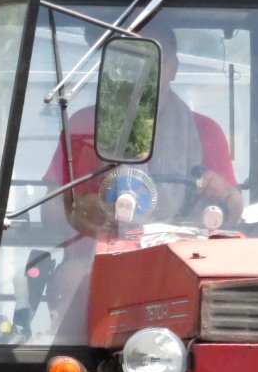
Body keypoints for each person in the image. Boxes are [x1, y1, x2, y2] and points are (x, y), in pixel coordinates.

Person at [45, 23, 243, 236]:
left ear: (173, 68)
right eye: (133, 60)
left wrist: (224, 191)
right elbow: (49, 210)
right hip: (98, 251)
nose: (144, 71)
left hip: (182, 251)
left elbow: (236, 210)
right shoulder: (83, 126)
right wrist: (80, 210)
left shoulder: (205, 132)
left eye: (155, 60)